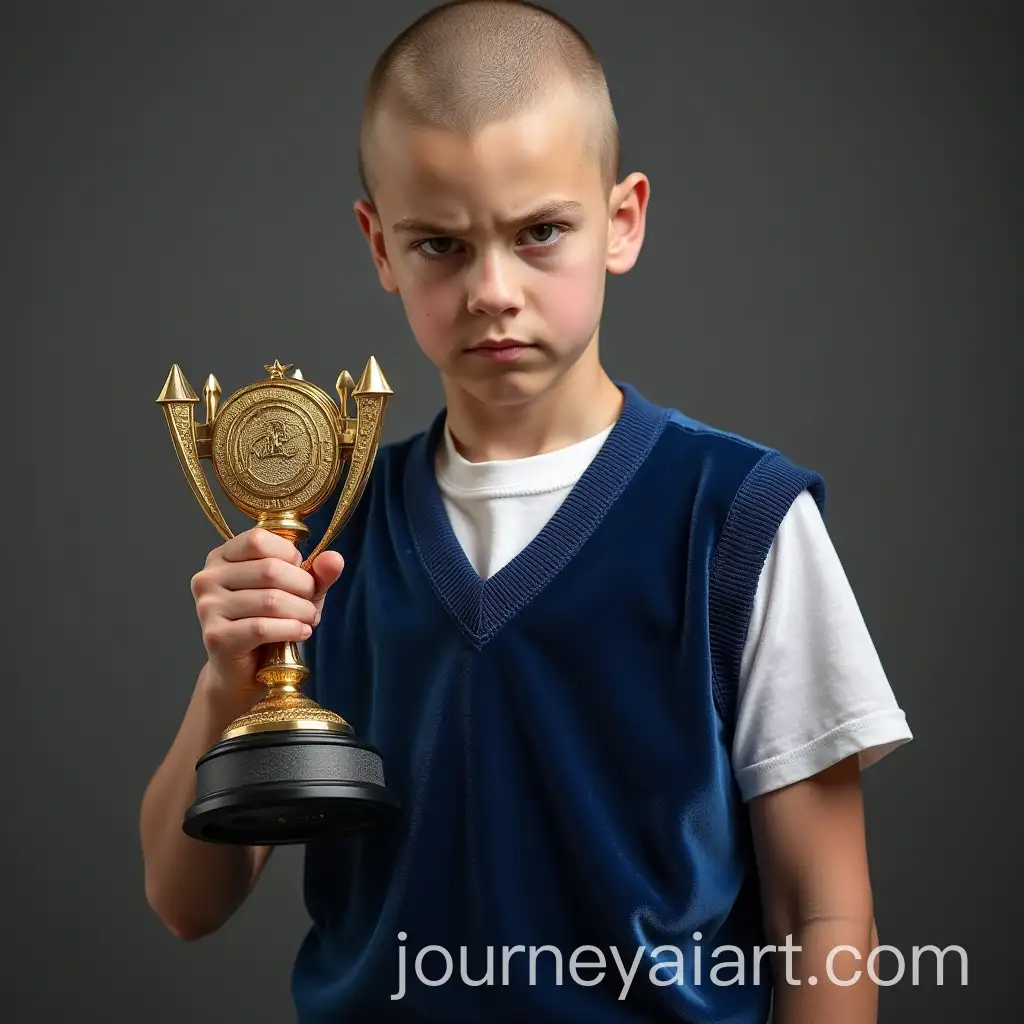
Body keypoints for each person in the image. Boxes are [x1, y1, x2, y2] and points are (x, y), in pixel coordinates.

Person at [139, 2, 913, 1021]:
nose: (491, 290)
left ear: (622, 219)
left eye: (540, 232)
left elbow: (821, 912)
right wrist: (226, 681)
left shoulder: (738, 521)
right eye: (440, 246)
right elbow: (185, 900)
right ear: (379, 245)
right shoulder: (320, 535)